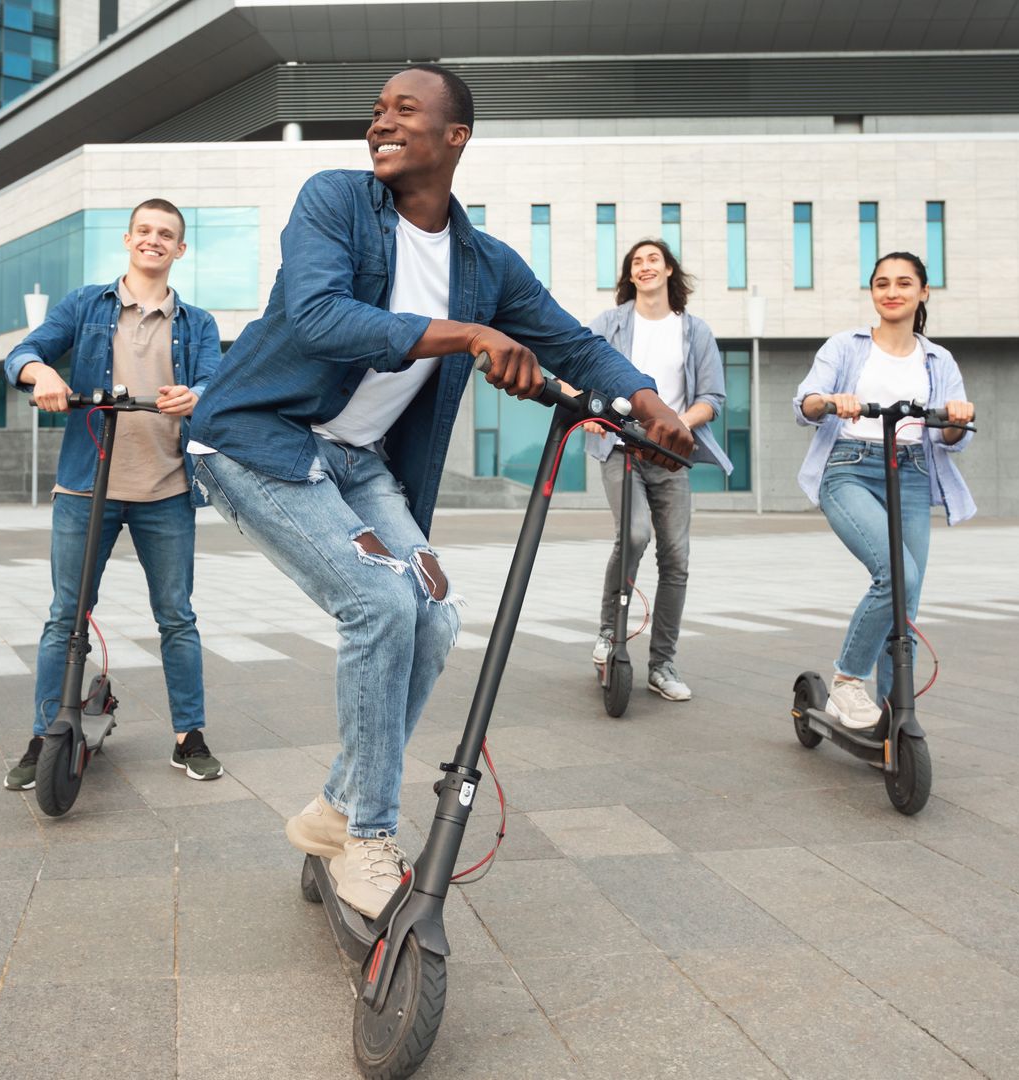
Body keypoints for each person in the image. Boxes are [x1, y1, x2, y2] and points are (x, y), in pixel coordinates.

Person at [188, 64, 695, 917]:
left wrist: (649, 404)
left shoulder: (483, 264)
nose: (380, 122)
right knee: (381, 604)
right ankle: (368, 835)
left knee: (436, 611)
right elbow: (319, 315)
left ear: (456, 136)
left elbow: (576, 346)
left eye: (404, 110)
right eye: (376, 109)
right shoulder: (336, 201)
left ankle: (335, 811)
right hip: (258, 440)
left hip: (357, 460)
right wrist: (468, 336)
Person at [0, 198, 227, 789]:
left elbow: (216, 384)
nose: (154, 240)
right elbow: (20, 355)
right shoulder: (85, 305)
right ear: (128, 240)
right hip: (85, 486)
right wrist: (43, 373)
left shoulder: (198, 323)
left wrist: (197, 396)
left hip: (167, 488)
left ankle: (189, 736)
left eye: (166, 234)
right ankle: (45, 735)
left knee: (177, 618)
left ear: (180, 249)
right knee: (65, 617)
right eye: (144, 230)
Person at [794, 251, 976, 730]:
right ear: (873, 292)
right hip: (849, 468)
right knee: (898, 576)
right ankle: (847, 682)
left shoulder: (939, 359)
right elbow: (806, 403)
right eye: (882, 283)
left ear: (923, 291)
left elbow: (951, 437)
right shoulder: (846, 346)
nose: (892, 292)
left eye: (903, 283)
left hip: (911, 472)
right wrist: (830, 401)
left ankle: (896, 716)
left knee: (906, 606)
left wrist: (957, 417)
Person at [583, 239, 731, 702]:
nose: (645, 266)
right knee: (633, 535)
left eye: (653, 259)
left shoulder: (694, 330)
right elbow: (579, 367)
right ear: (630, 275)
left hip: (670, 455)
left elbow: (712, 398)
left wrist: (674, 426)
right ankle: (609, 635)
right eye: (636, 262)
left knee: (676, 558)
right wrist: (586, 408)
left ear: (669, 270)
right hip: (618, 446)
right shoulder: (610, 323)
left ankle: (662, 664)